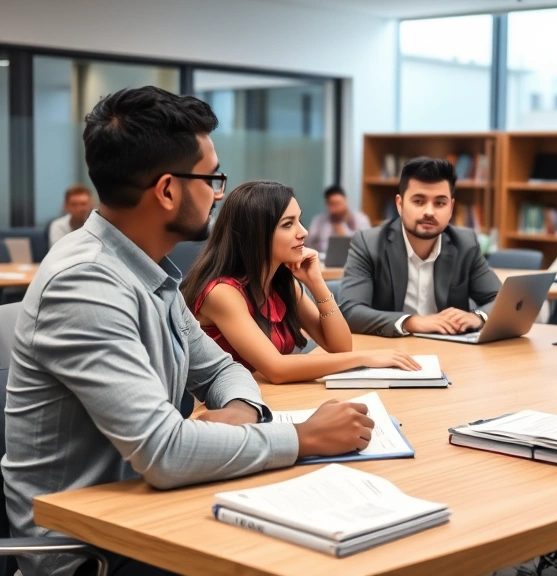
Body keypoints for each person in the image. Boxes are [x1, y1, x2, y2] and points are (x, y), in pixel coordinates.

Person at [1, 86, 376, 576]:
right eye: (212, 179)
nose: (218, 194)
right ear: (167, 190)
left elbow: (221, 368)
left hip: (145, 514)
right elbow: (165, 452)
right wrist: (304, 438)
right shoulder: (85, 284)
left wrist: (240, 411)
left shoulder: (147, 271)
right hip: (88, 551)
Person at [181, 181, 419, 384]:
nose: (303, 232)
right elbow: (276, 369)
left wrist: (317, 284)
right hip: (221, 411)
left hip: (266, 397)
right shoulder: (222, 293)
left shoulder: (281, 284)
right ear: (256, 234)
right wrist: (366, 358)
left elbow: (340, 347)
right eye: (288, 224)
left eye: (299, 220)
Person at [337, 157, 501, 338]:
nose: (429, 212)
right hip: (391, 350)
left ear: (451, 208)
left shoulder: (465, 244)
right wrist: (411, 322)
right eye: (418, 201)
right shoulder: (369, 244)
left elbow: (501, 300)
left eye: (439, 203)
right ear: (399, 205)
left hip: (452, 351)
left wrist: (478, 317)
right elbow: (350, 311)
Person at [305, 184, 371, 254]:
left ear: (346, 201)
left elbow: (367, 246)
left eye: (339, 203)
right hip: (322, 259)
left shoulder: (360, 219)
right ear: (327, 204)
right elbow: (308, 243)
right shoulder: (319, 220)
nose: (337, 207)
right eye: (332, 204)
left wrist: (346, 238)